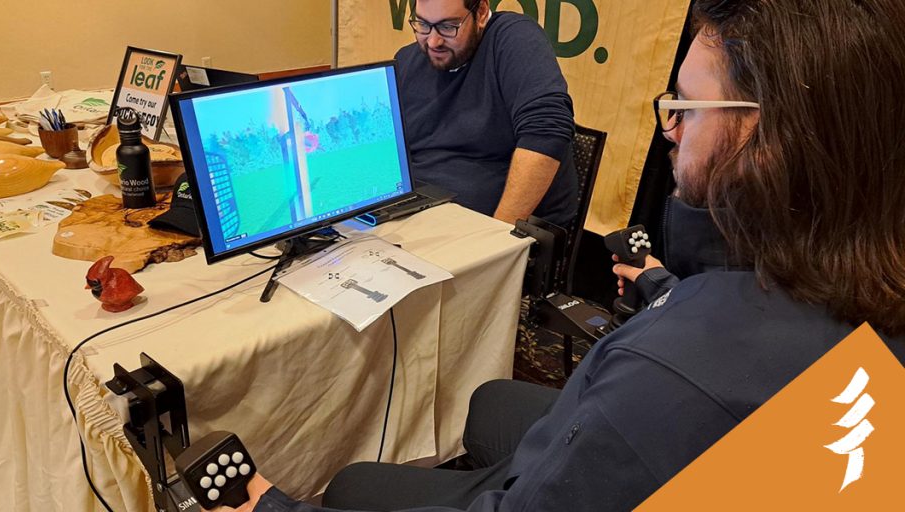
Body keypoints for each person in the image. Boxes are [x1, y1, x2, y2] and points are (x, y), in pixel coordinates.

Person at [213, 0, 905, 510]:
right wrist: (667, 286)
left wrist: (272, 505)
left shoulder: (664, 371)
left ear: (771, 136)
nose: (669, 130)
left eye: (687, 107)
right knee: (485, 401)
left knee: (352, 483)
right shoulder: (857, 267)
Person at [394, 0, 578, 226]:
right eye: (423, 24)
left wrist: (498, 236)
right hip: (415, 217)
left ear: (480, 12)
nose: (433, 41)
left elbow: (547, 133)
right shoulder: (406, 60)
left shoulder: (513, 39)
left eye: (448, 27)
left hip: (494, 228)